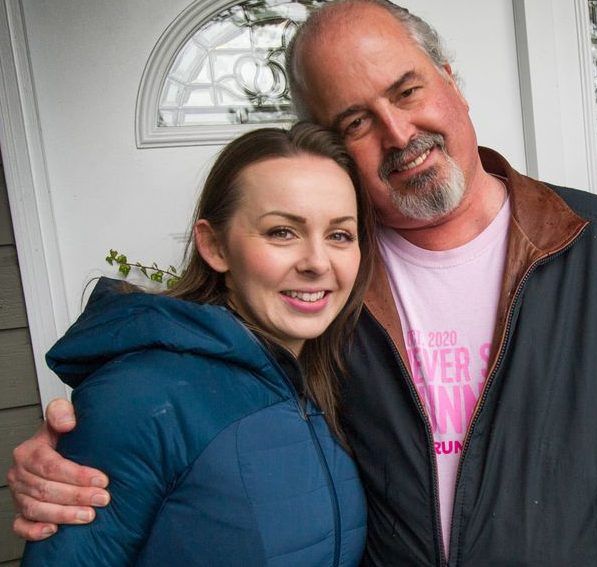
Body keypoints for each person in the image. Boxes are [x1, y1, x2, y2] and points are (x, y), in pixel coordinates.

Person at [9, 1, 597, 564]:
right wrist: (78, 453)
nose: (399, 134)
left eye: (406, 91)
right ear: (332, 148)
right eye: (354, 121)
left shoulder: (595, 245)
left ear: (450, 80)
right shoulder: (325, 283)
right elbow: (202, 385)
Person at [18, 122, 374, 566]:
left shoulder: (328, 381)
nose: (318, 262)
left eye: (340, 234)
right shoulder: (139, 396)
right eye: (282, 231)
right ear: (214, 246)